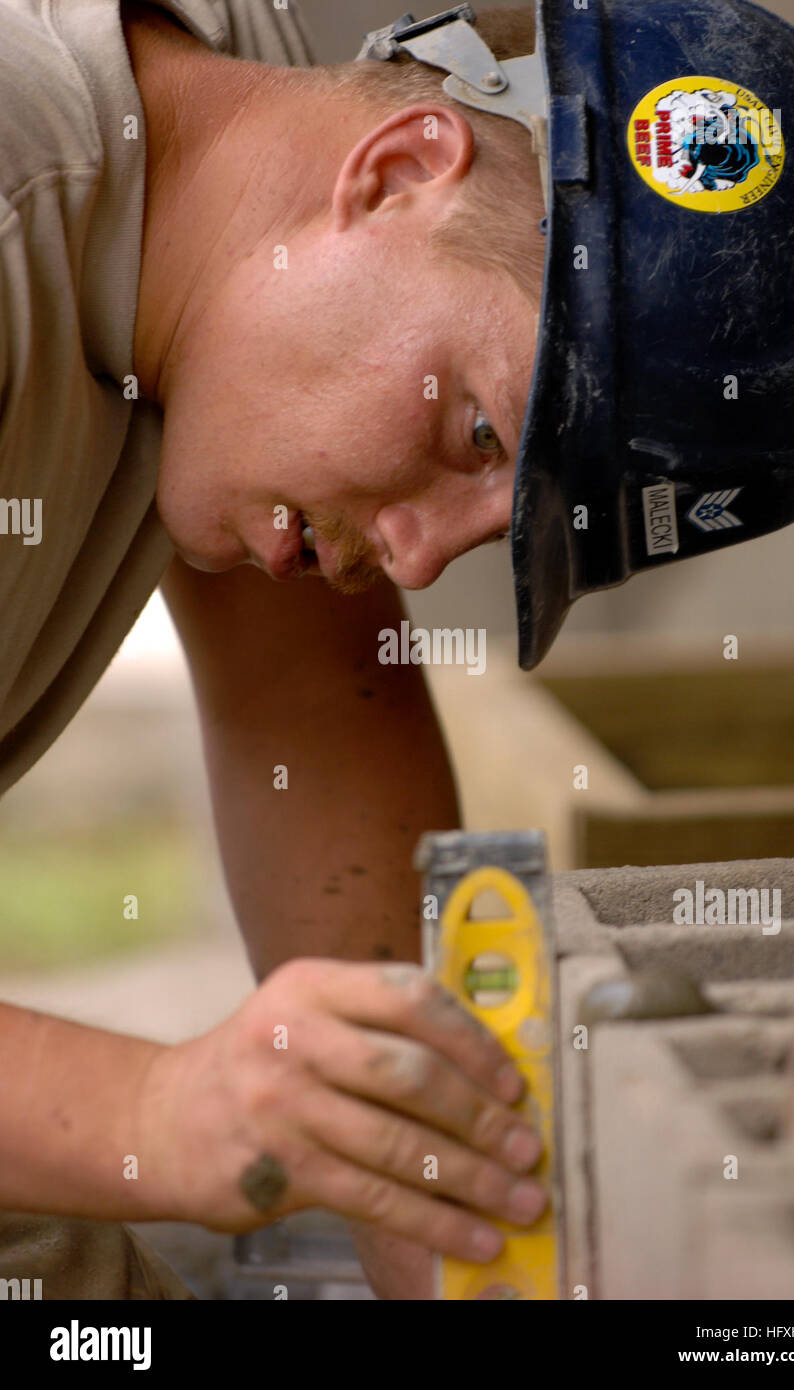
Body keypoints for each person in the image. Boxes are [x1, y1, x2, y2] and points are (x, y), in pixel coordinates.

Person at [0, 0, 547, 1301]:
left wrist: (444, 1242)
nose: (419, 560)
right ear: (402, 169)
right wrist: (153, 1111)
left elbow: (307, 703)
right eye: (476, 431)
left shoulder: (253, 166)